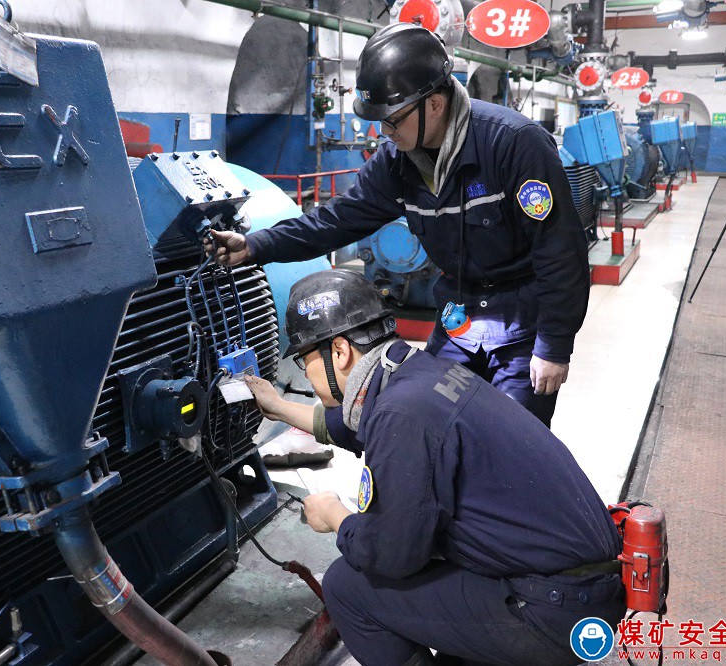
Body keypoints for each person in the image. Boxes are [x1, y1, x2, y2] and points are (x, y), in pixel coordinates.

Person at [210, 22, 590, 427]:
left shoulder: (513, 143)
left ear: (435, 104)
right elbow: (337, 220)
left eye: (392, 120)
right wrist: (255, 246)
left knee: (511, 440)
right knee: (426, 423)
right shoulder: (396, 161)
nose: (384, 132)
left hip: (521, 323)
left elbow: (559, 249)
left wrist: (554, 345)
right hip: (458, 318)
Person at [242, 269, 625, 666]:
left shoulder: (401, 414)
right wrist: (279, 406)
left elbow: (389, 556)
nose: (307, 375)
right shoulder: (421, 374)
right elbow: (360, 424)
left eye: (307, 363)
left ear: (339, 352)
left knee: (347, 585)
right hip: (586, 584)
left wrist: (335, 516)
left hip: (555, 609)